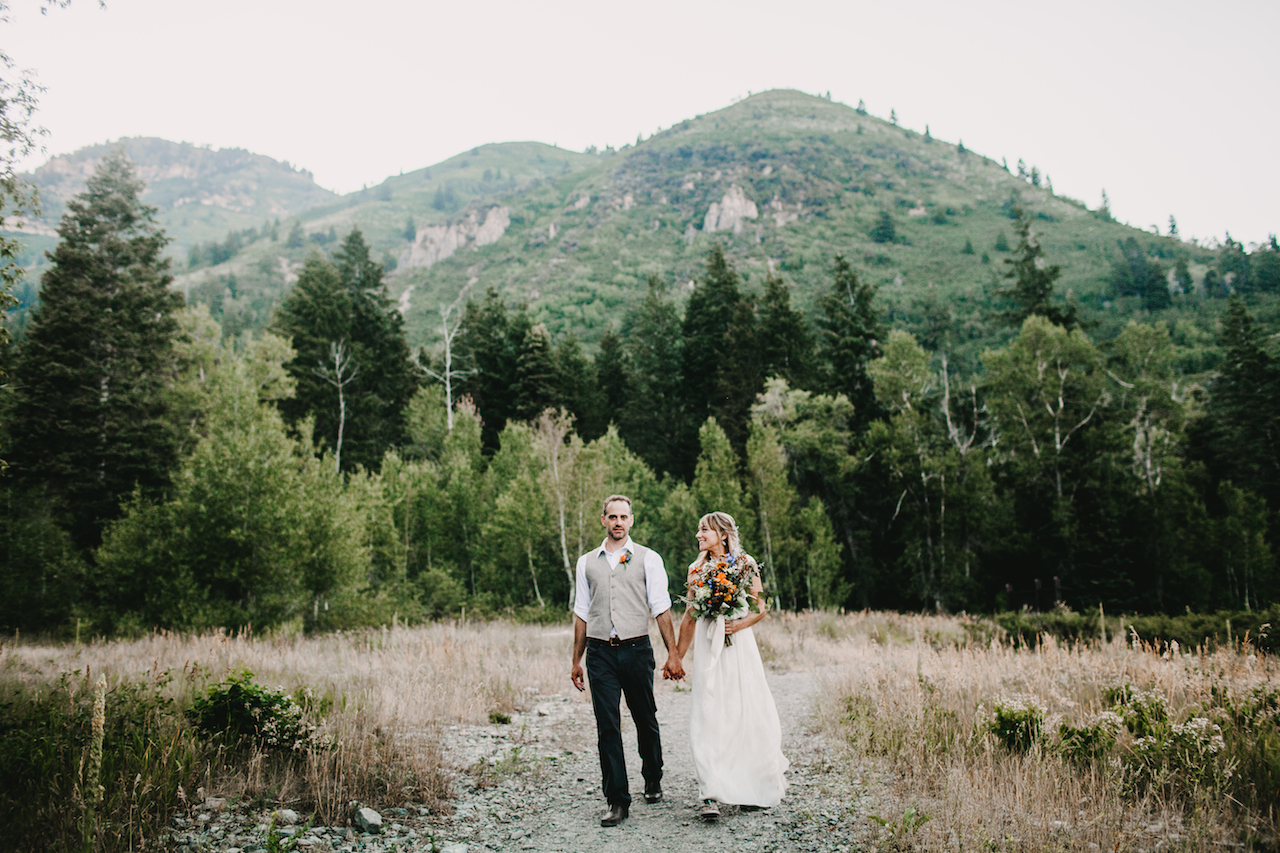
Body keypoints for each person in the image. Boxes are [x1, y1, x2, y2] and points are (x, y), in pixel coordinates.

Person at [570, 494, 684, 827]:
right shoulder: (586, 562)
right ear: (602, 519)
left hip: (637, 650)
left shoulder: (649, 559)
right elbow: (581, 612)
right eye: (612, 517)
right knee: (607, 725)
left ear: (631, 520)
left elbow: (661, 608)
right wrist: (576, 659)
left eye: (624, 517)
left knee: (645, 717)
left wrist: (673, 653)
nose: (618, 522)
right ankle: (617, 800)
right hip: (600, 652)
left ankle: (652, 775)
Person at [674, 511, 789, 819]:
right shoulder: (695, 569)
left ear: (722, 534)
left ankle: (749, 785)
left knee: (745, 711)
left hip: (739, 646)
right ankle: (709, 793)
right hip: (707, 643)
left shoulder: (745, 564)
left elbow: (760, 607)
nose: (698, 535)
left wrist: (737, 626)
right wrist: (676, 656)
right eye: (698, 530)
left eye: (704, 530)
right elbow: (689, 615)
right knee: (708, 711)